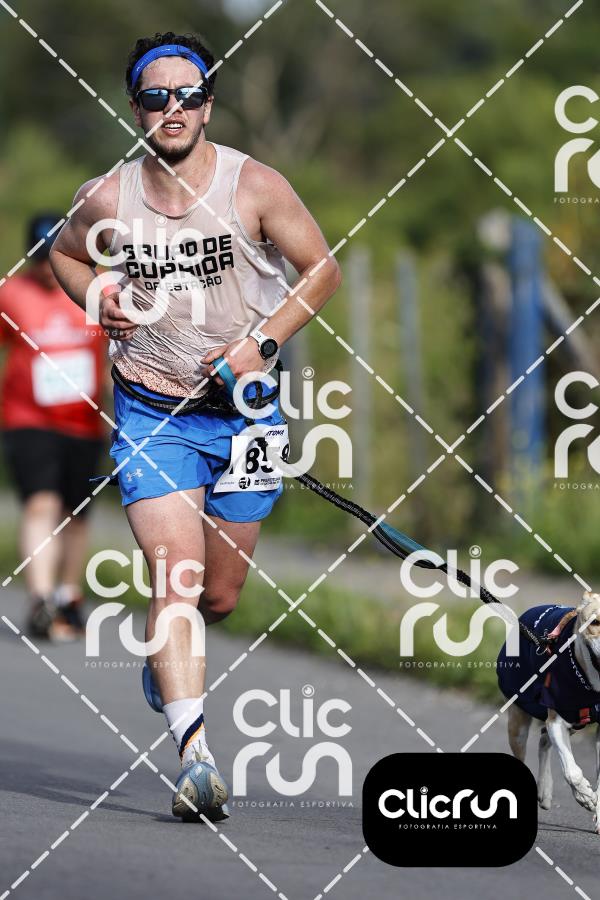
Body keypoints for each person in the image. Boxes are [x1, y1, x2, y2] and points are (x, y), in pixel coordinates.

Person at [50, 32, 341, 821]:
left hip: (245, 419)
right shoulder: (107, 198)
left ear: (209, 105)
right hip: (152, 411)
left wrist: (261, 344)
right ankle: (197, 758)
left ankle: (167, 662)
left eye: (188, 95)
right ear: (135, 107)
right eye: (156, 96)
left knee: (218, 593)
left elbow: (323, 269)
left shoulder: (257, 186)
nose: (172, 108)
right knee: (174, 576)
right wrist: (98, 296)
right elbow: (65, 255)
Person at [0, 214, 107, 640]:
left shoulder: (96, 291)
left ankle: (68, 594)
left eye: (53, 258)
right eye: (39, 259)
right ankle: (42, 601)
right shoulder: (11, 294)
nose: (47, 268)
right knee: (40, 504)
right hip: (28, 419)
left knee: (75, 515)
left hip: (84, 423)